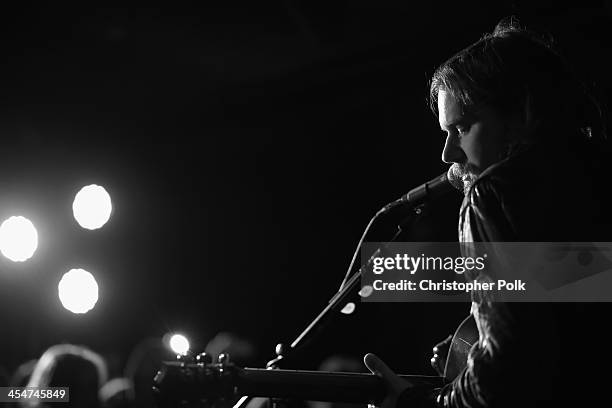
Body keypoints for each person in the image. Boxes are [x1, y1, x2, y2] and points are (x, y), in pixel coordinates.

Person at [364, 17, 610, 407]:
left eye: (461, 128)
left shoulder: (493, 191)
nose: (447, 154)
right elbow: (568, 329)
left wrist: (419, 403)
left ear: (521, 112)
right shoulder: (593, 176)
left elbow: (507, 371)